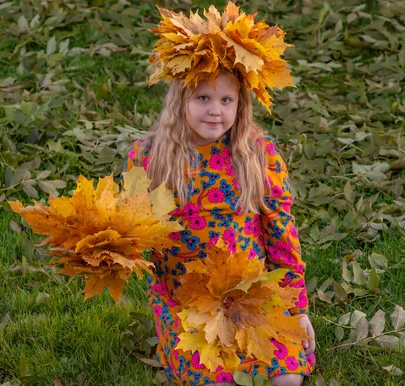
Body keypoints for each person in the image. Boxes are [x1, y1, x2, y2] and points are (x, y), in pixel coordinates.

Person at [123, 3, 315, 385]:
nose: (215, 112)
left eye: (226, 101)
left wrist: (297, 307)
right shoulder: (149, 156)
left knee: (286, 379)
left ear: (241, 105)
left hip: (251, 290)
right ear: (180, 102)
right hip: (188, 299)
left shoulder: (257, 153)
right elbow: (131, 228)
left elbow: (281, 233)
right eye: (203, 99)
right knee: (215, 379)